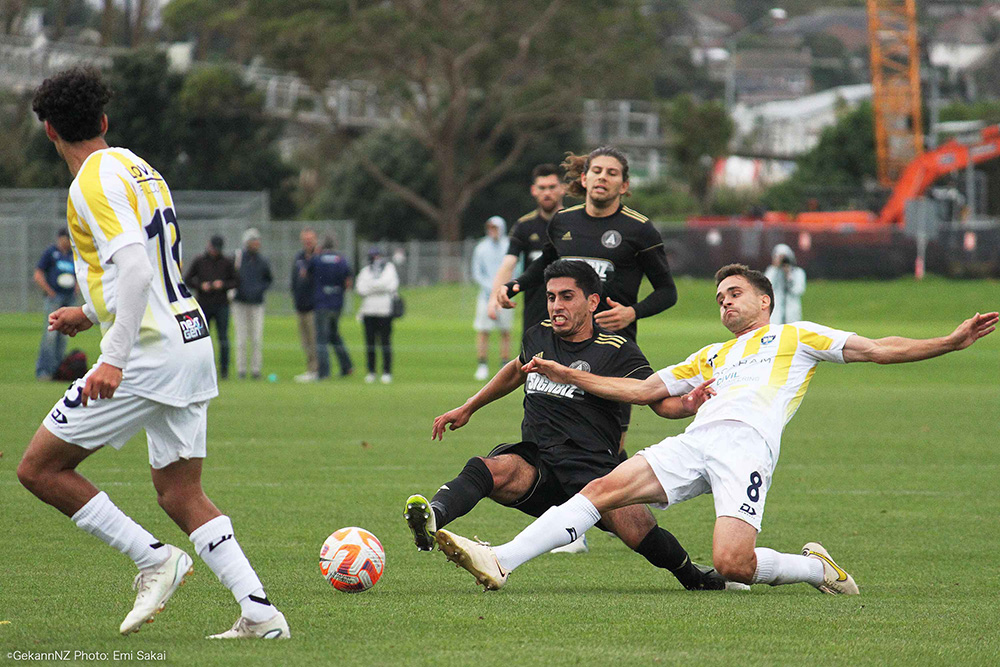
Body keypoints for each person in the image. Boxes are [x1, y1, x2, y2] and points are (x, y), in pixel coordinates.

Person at [437, 263, 997, 594]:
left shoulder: (795, 337)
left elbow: (878, 349)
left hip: (746, 449)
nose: (726, 303)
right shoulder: (710, 355)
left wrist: (947, 342)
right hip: (696, 442)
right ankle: (502, 560)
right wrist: (566, 373)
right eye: (720, 297)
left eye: (735, 294)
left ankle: (812, 567)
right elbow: (644, 390)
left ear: (765, 300)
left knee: (734, 564)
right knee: (600, 491)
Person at [18, 67, 289, 638]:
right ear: (105, 121)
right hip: (189, 338)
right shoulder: (139, 167)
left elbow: (138, 268)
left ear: (48, 132)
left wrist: (111, 356)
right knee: (179, 492)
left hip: (146, 354)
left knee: (39, 469)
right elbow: (155, 266)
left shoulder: (88, 182)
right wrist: (89, 312)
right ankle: (261, 614)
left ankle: (153, 559)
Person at [407, 259, 730, 591]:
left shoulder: (618, 351)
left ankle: (692, 575)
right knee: (487, 468)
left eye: (566, 296)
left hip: (593, 470)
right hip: (538, 463)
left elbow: (656, 398)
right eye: (550, 297)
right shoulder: (538, 335)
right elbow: (517, 370)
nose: (556, 306)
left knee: (640, 530)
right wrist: (469, 407)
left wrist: (688, 404)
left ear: (591, 301)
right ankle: (434, 516)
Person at [494, 146, 678, 343]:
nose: (602, 177)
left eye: (612, 173)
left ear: (624, 186)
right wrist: (515, 285)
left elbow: (667, 292)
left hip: (612, 345)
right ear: (584, 179)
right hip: (563, 344)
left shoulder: (640, 229)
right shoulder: (562, 221)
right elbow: (545, 263)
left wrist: (632, 313)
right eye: (597, 171)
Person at [488, 163, 566, 337]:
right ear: (534, 190)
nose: (547, 192)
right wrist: (495, 296)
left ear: (563, 189)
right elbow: (509, 263)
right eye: (542, 188)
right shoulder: (524, 226)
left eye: (552, 187)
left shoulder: (574, 223)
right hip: (535, 310)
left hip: (571, 309)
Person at [184, 235, 238, 379]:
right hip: (204, 304)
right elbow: (188, 279)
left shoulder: (226, 262)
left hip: (221, 305)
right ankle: (201, 369)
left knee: (223, 338)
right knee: (202, 339)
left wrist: (223, 285)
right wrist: (201, 286)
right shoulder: (200, 261)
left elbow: (236, 281)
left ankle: (224, 371)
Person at [472, 216, 513, 380]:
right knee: (483, 330)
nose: (492, 231)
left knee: (505, 331)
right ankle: (482, 364)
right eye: (490, 228)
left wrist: (505, 288)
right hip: (486, 296)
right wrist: (491, 288)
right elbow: (477, 272)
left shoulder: (509, 245)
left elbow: (516, 269)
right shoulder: (481, 248)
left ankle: (504, 363)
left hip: (505, 295)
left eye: (495, 228)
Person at [34, 228, 76, 380]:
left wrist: (77, 287)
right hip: (55, 298)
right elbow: (38, 274)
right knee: (50, 335)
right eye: (66, 239)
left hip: (69, 299)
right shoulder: (51, 253)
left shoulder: (72, 255)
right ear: (60, 238)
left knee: (64, 336)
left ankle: (59, 371)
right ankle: (44, 371)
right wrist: (49, 291)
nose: (69, 243)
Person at [310, 236, 354, 379]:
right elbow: (348, 282)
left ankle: (324, 373)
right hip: (336, 304)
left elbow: (306, 274)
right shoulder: (341, 259)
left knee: (321, 338)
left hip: (321, 303)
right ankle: (346, 366)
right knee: (334, 335)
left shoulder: (317, 259)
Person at [232, 228, 273, 380]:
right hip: (240, 303)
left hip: (257, 303)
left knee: (256, 338)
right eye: (253, 241)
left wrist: (259, 290)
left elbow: (268, 279)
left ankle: (256, 370)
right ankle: (241, 370)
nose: (256, 243)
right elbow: (233, 277)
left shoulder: (262, 261)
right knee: (241, 338)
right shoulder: (239, 258)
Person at [355, 247, 399, 384]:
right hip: (368, 311)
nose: (376, 259)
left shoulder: (389, 268)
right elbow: (360, 288)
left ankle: (386, 372)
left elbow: (391, 285)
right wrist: (379, 286)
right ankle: (371, 372)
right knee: (370, 343)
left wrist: (372, 286)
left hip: (385, 311)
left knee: (385, 342)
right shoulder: (365, 271)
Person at [291, 228, 319, 382]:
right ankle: (310, 368)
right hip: (300, 305)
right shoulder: (299, 257)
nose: (308, 243)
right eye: (305, 240)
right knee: (305, 341)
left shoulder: (318, 257)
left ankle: (314, 370)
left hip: (314, 306)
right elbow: (294, 280)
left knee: (314, 340)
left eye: (310, 240)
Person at [765, 243, 806, 325]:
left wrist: (789, 275)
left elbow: (798, 290)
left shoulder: (798, 272)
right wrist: (775, 267)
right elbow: (766, 287)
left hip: (791, 309)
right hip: (776, 310)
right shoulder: (772, 271)